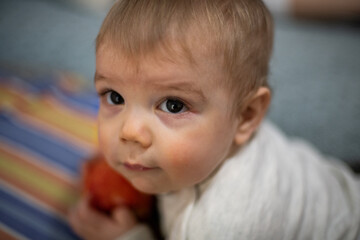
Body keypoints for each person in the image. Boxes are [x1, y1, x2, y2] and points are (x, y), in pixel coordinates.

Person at [68, 0, 360, 239]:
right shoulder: (221, 129)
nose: (129, 132)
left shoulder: (221, 224)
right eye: (115, 97)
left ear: (247, 116)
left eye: (173, 105)